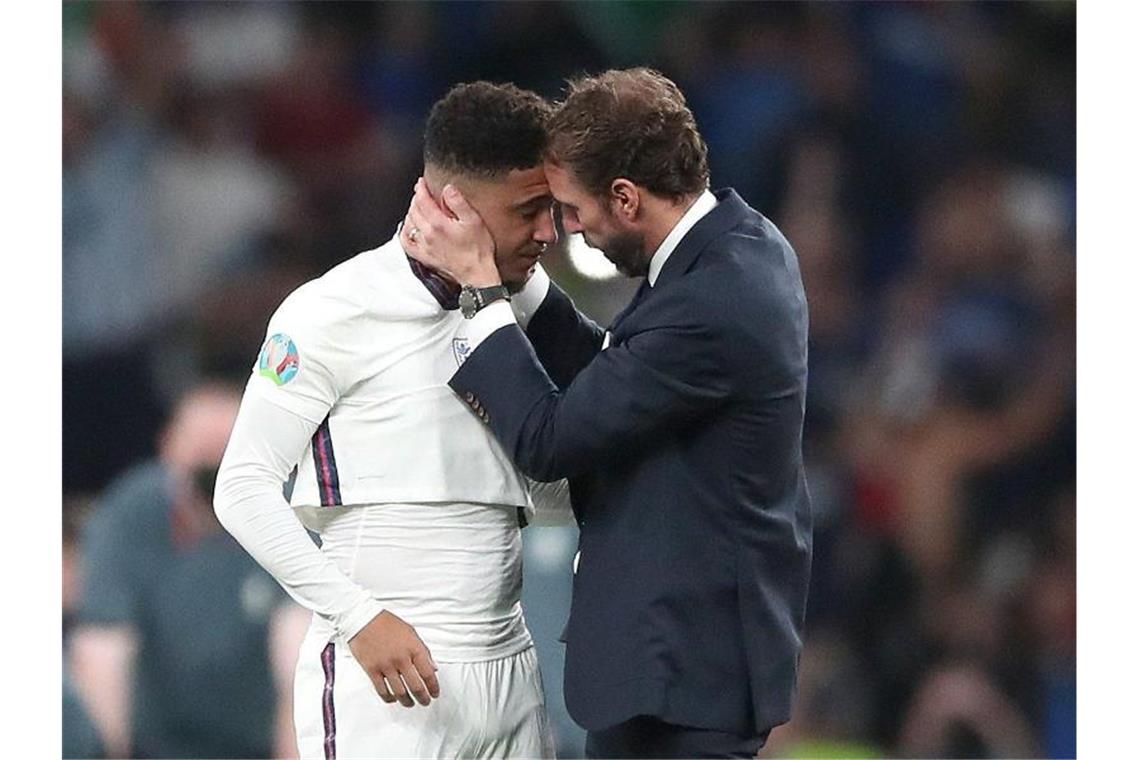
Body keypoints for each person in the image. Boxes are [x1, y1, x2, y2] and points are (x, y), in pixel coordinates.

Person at [402, 67, 813, 758]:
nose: (568, 231)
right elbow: (621, 379)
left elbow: (549, 438)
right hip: (675, 663)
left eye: (571, 208)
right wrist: (520, 283)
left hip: (688, 673)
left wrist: (479, 291)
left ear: (624, 197)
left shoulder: (714, 299)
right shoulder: (733, 250)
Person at [213, 81, 570, 759]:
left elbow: (562, 469)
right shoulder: (331, 311)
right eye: (530, 211)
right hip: (386, 670)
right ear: (453, 204)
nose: (548, 233)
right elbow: (241, 488)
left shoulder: (521, 305)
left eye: (551, 209)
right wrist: (358, 619)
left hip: (512, 662)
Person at [69, 382, 308, 759]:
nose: (211, 475)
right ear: (168, 447)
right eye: (201, 456)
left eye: (226, 454)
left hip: (256, 745)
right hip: (154, 746)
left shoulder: (291, 511)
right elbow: (103, 648)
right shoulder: (132, 512)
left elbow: (298, 660)